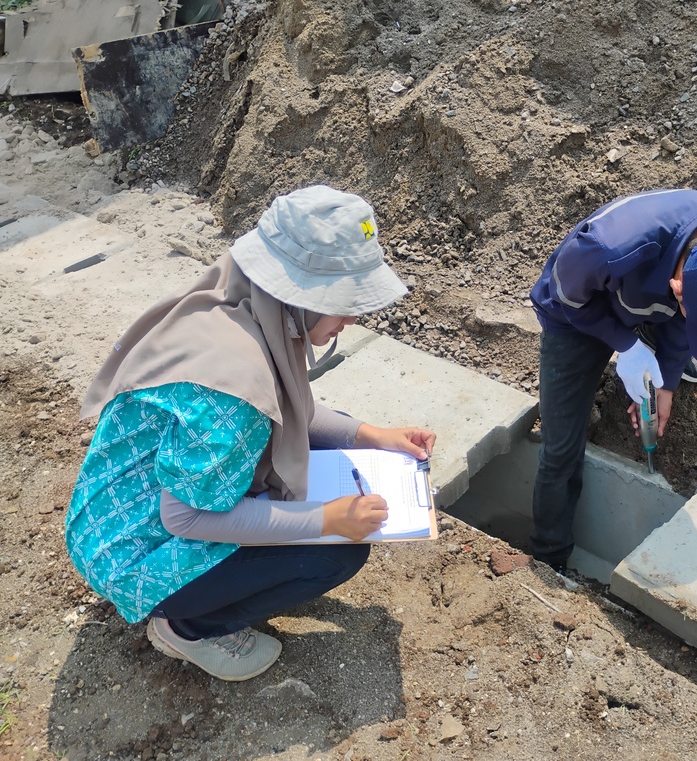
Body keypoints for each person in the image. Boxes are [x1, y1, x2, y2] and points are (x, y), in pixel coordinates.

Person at [65, 186, 436, 681]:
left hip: (108, 517)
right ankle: (188, 626)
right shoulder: (234, 391)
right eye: (346, 302)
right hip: (135, 553)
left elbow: (285, 408)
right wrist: (325, 520)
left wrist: (373, 435)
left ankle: (207, 599)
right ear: (299, 298)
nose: (352, 318)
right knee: (340, 553)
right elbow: (186, 518)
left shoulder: (227, 310)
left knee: (326, 477)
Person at [528, 188, 697, 569]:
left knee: (676, 348)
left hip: (653, 294)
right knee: (561, 449)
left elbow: (683, 320)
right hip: (577, 310)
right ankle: (549, 557)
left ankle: (674, 342)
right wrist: (625, 346)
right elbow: (566, 296)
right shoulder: (605, 247)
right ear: (677, 288)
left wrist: (667, 382)